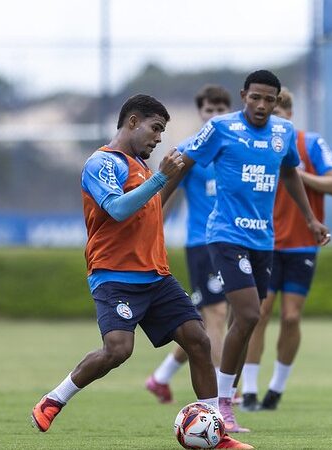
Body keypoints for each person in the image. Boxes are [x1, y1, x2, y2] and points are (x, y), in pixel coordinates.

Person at [30, 94, 252, 450]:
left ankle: (217, 436)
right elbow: (118, 209)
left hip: (156, 276)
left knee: (198, 340)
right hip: (115, 275)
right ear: (132, 122)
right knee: (118, 349)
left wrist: (172, 177)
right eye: (156, 128)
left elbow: (151, 210)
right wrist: (161, 177)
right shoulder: (102, 163)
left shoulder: (143, 169)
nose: (159, 137)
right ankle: (54, 399)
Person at [163, 70, 331, 433]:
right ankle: (222, 403)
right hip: (225, 235)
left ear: (275, 102)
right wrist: (156, 207)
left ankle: (224, 403)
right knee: (251, 314)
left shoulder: (282, 133)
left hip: (263, 240)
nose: (261, 105)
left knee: (244, 320)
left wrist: (311, 219)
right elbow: (183, 160)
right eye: (255, 97)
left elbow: (289, 174)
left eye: (269, 99)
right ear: (244, 95)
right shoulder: (221, 128)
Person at [241, 87, 332, 412]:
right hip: (265, 243)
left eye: (280, 115)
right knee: (259, 315)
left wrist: (299, 175)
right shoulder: (256, 145)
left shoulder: (310, 143)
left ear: (290, 116)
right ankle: (251, 391)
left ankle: (276, 389)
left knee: (291, 317)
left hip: (300, 246)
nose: (275, 123)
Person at [145, 85, 233, 404]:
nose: (215, 114)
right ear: (201, 112)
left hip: (236, 242)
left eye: (221, 108)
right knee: (217, 317)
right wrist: (151, 232)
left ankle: (161, 377)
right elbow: (166, 196)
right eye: (209, 109)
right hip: (203, 244)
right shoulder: (188, 149)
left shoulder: (235, 148)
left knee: (208, 323)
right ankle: (224, 399)